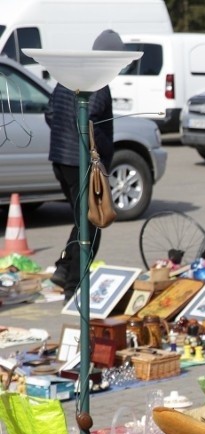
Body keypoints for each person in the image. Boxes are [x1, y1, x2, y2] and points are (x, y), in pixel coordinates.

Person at [47, 29, 123, 301]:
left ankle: (63, 268)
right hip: (80, 163)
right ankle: (74, 286)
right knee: (92, 223)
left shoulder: (69, 77)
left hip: (60, 159)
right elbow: (88, 120)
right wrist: (102, 150)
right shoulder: (99, 81)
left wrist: (62, 140)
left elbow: (50, 112)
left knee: (82, 221)